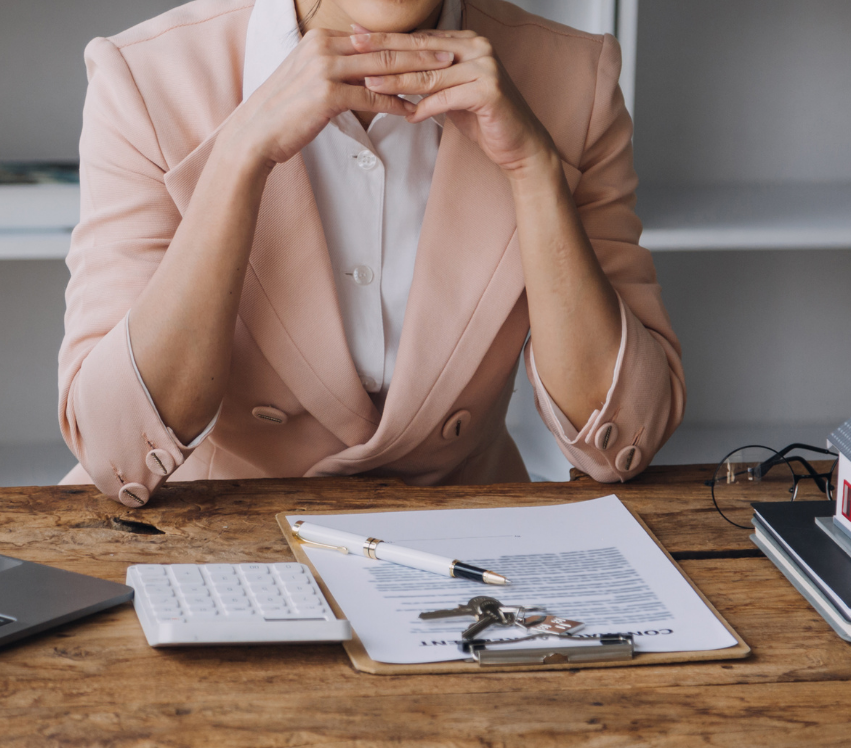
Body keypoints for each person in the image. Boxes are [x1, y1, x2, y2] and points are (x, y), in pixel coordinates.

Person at [58, 0, 685, 507]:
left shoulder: (576, 79)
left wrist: (534, 169)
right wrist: (240, 157)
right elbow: (117, 449)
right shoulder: (145, 79)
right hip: (206, 540)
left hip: (469, 559)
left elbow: (623, 439)